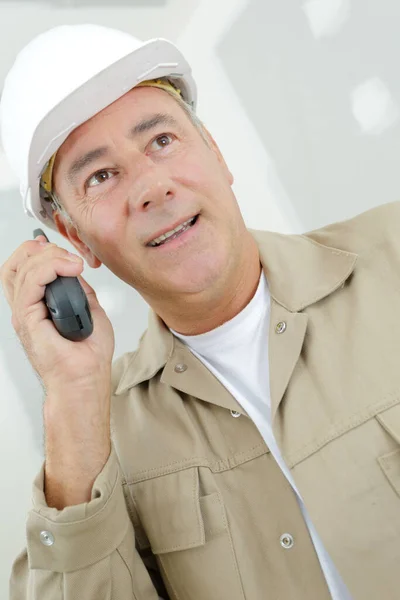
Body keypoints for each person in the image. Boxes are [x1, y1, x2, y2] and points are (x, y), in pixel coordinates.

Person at [1, 23, 399, 600]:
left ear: (214, 152)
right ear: (73, 237)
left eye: (161, 140)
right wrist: (70, 399)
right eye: (102, 176)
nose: (151, 187)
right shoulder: (97, 440)